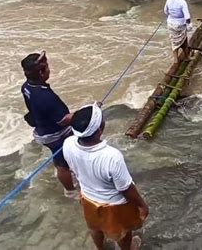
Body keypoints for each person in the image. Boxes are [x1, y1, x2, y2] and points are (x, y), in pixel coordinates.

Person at [63, 104, 149, 250]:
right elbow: (125, 188)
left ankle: (99, 247)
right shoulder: (111, 156)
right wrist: (142, 205)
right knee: (123, 232)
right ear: (100, 129)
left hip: (88, 198)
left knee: (94, 227)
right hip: (113, 205)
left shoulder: (68, 143)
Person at [20, 51, 77, 198]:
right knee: (62, 163)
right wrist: (88, 112)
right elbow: (63, 120)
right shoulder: (45, 96)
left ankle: (63, 167)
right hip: (54, 134)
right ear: (41, 72)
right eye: (47, 67)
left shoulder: (26, 86)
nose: (50, 69)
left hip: (43, 128)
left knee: (61, 158)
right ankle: (70, 190)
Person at [164, 0, 193, 64]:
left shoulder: (168, 0)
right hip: (180, 25)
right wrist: (189, 25)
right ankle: (187, 57)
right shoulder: (182, 2)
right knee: (184, 41)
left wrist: (172, 15)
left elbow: (165, 11)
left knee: (174, 41)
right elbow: (187, 17)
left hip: (170, 24)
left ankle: (175, 60)